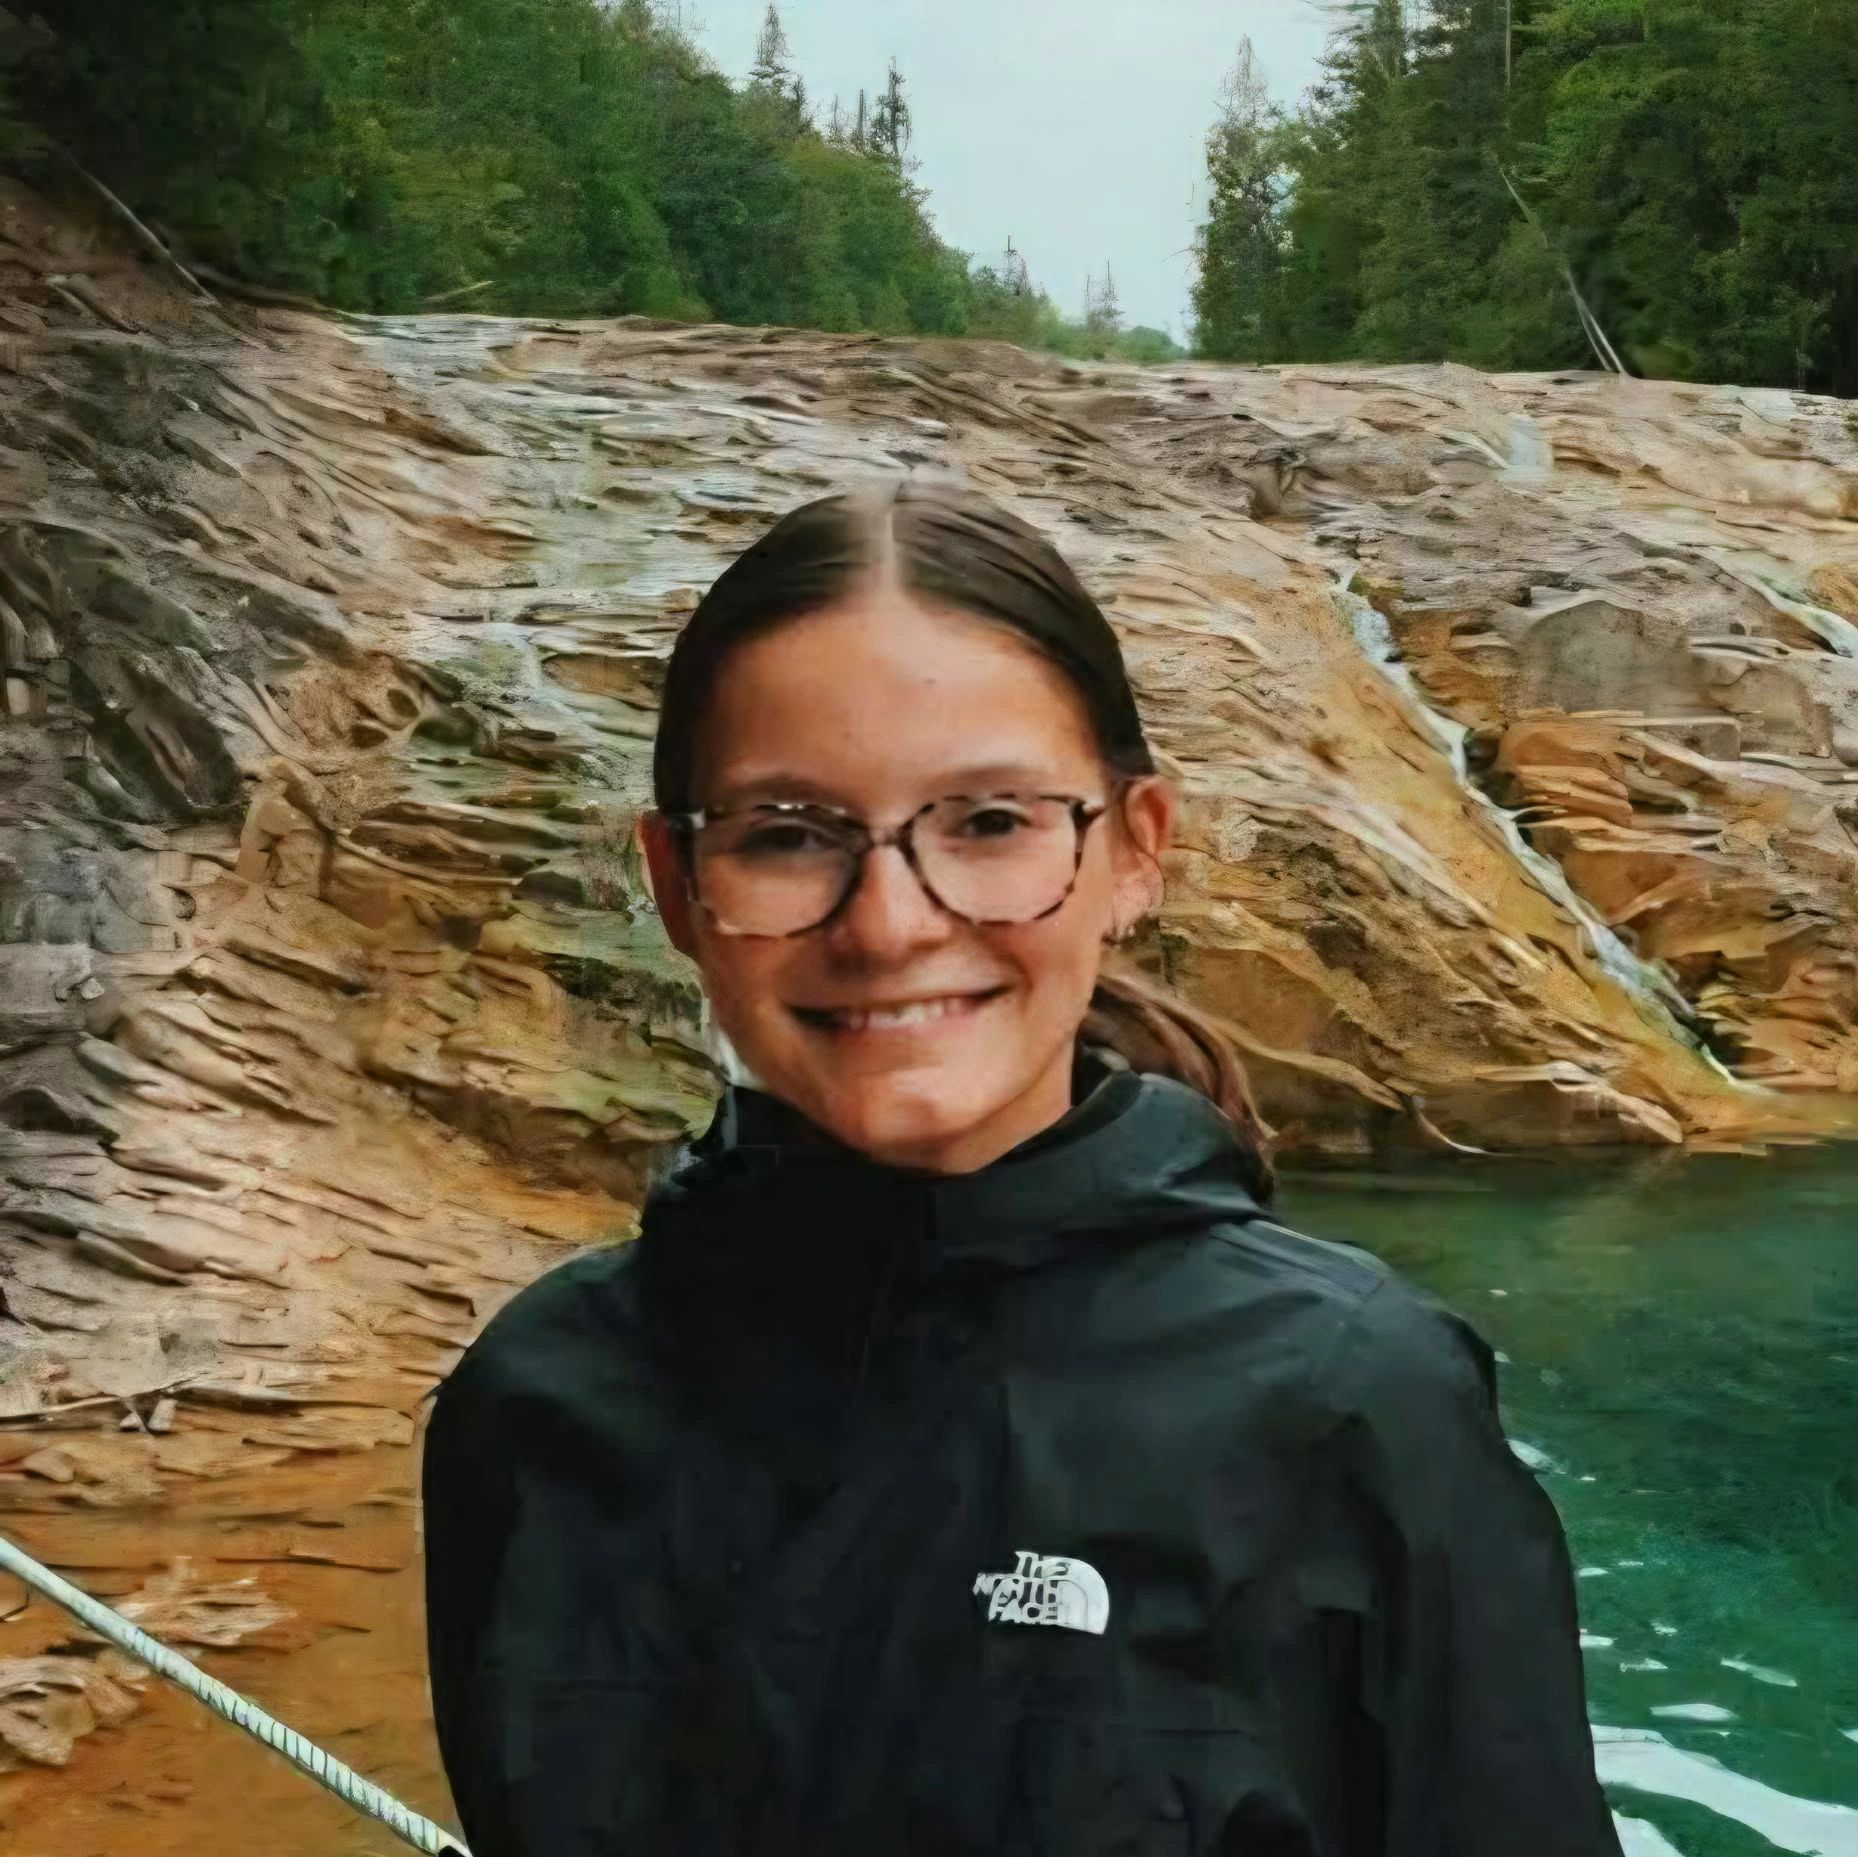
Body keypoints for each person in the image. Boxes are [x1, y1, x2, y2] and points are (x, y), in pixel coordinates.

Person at [421, 482, 1622, 1857]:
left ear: (1135, 851)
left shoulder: (1355, 1406)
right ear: (676, 885)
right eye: (787, 834)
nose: (887, 924)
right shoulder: (535, 1407)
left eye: (988, 822)